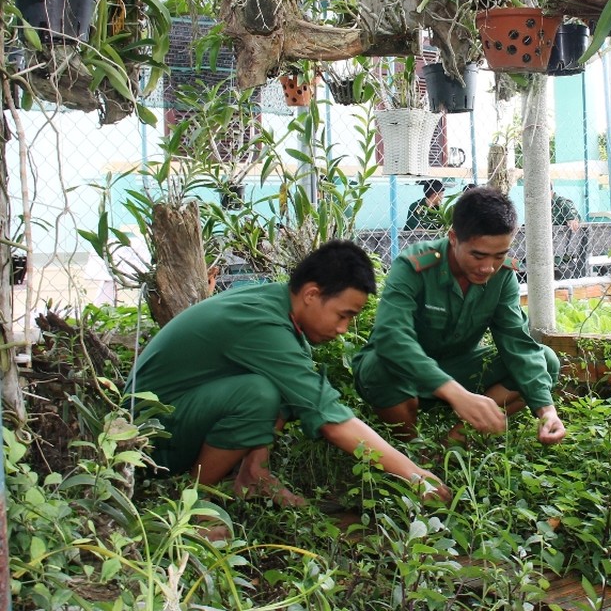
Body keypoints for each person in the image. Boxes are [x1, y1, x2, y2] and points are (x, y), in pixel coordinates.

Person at [124, 240, 449, 506]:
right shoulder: (265, 325)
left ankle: (254, 474)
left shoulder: (277, 308)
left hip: (173, 416)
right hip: (145, 438)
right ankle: (194, 504)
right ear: (311, 294)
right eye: (343, 315)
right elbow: (334, 422)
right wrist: (413, 473)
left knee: (285, 385)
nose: (343, 329)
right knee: (258, 394)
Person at [354, 186, 566, 446]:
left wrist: (547, 411)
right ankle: (411, 449)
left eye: (500, 255)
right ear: (453, 237)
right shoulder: (414, 266)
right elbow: (391, 338)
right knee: (379, 365)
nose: (488, 267)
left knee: (545, 360)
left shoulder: (502, 277)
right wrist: (455, 393)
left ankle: (454, 441)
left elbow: (517, 343)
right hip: (406, 374)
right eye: (478, 255)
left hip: (459, 370)